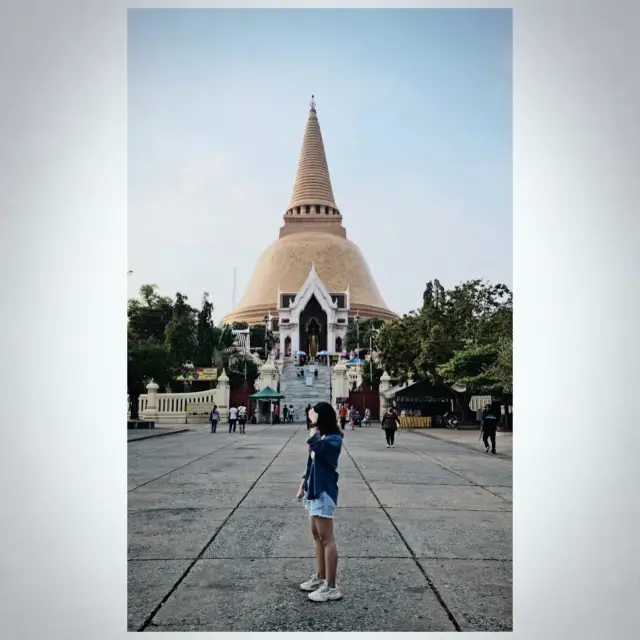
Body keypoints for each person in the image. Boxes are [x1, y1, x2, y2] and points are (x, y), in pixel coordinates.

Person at [296, 401, 344, 602]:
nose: (310, 420)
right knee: (316, 535)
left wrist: (314, 426)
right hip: (313, 489)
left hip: (324, 490)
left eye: (314, 417)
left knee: (327, 538)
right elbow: (311, 462)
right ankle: (320, 576)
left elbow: (316, 447)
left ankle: (331, 586)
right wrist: (302, 485)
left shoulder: (334, 439)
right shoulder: (322, 436)